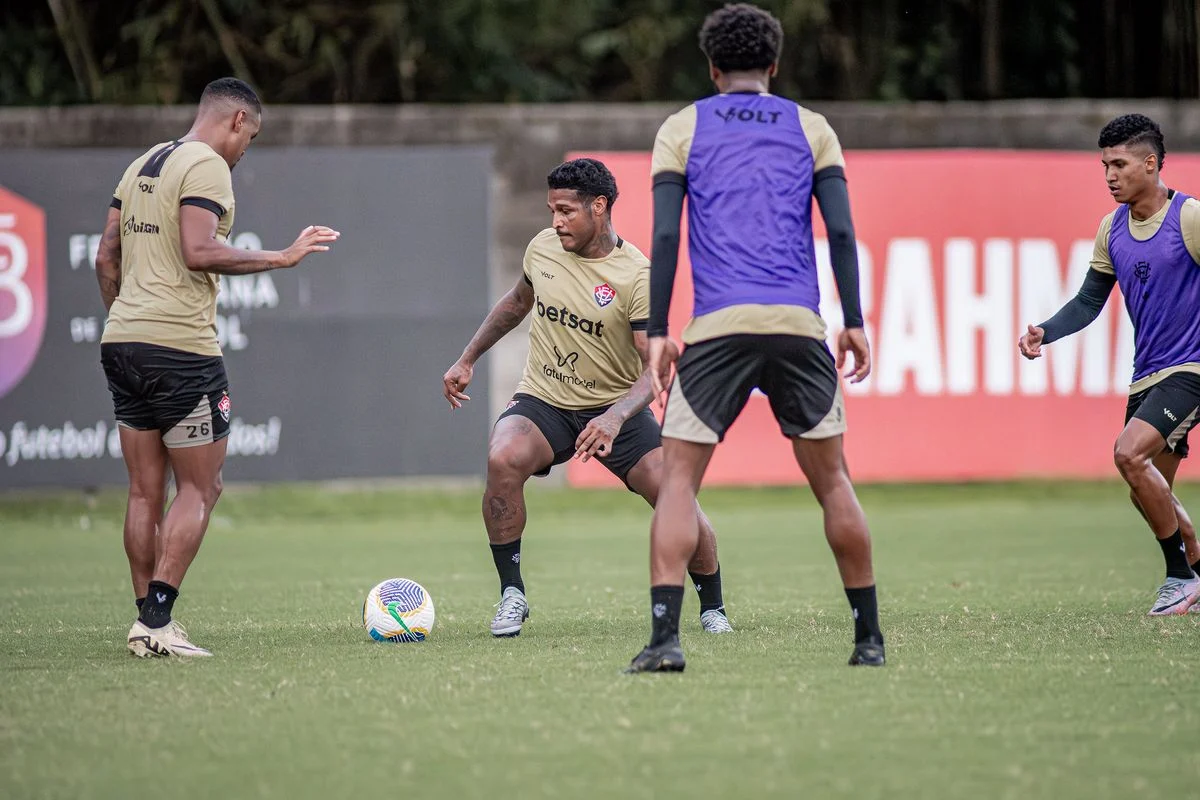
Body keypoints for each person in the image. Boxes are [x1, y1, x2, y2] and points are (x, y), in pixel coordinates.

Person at [625, 3, 884, 674]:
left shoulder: (680, 128)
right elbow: (844, 233)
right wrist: (853, 320)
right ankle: (869, 639)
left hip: (717, 328)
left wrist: (656, 331)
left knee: (679, 480)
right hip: (798, 324)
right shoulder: (812, 126)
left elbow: (663, 237)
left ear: (713, 68)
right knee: (832, 482)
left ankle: (664, 642)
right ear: (774, 64)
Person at [94, 77, 340, 657]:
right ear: (235, 121)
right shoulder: (207, 165)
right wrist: (282, 256)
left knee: (142, 493)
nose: (244, 150)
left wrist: (127, 317)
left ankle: (146, 623)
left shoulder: (143, 163)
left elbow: (107, 254)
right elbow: (198, 251)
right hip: (181, 346)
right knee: (202, 487)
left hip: (122, 339)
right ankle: (156, 621)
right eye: (249, 138)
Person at [442, 158, 732, 638]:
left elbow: (654, 369)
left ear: (599, 207)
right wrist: (467, 359)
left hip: (619, 406)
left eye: (565, 211)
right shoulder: (543, 247)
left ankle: (713, 607)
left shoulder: (637, 276)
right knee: (503, 457)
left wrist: (616, 418)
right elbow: (517, 303)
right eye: (551, 210)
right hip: (546, 399)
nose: (555, 222)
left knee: (674, 494)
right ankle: (512, 593)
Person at [1019, 113, 1200, 616]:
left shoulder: (1189, 218)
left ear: (1150, 163)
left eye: (1119, 164)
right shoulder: (1111, 229)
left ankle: (1179, 578)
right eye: (1104, 165)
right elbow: (1088, 302)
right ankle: (1195, 566)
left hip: (1191, 370)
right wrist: (1045, 332)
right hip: (1148, 374)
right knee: (1147, 495)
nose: (1109, 175)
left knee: (1127, 454)